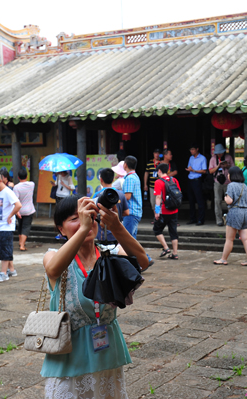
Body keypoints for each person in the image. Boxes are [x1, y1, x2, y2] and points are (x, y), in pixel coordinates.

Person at [42, 195, 148, 397]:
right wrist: (83, 229)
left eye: (90, 217)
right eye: (75, 218)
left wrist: (116, 226)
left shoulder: (110, 255)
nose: (85, 221)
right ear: (61, 229)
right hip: (69, 359)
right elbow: (53, 270)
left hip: (107, 356)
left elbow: (142, 261)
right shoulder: (54, 256)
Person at [213, 167, 247, 266]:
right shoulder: (245, 186)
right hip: (245, 212)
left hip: (235, 212)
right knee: (245, 239)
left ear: (232, 175)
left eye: (229, 174)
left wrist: (225, 197)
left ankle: (223, 259)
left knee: (229, 239)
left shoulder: (231, 185)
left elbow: (229, 201)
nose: (227, 176)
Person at [0, 172, 22, 283]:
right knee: (4, 249)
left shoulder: (8, 192)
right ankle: (11, 270)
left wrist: (10, 216)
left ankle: (4, 273)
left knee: (4, 250)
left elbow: (18, 205)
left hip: (6, 226)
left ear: (1, 180)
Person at [122, 156, 153, 267]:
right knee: (131, 239)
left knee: (128, 240)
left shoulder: (130, 178)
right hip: (134, 212)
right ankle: (141, 261)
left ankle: (145, 259)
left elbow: (127, 196)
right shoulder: (134, 176)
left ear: (125, 165)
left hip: (131, 212)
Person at [93, 168, 129, 243]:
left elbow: (93, 212)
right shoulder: (121, 195)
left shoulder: (97, 195)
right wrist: (115, 214)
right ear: (113, 179)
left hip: (102, 234)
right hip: (117, 233)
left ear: (101, 179)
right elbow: (127, 212)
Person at [153, 163, 180, 260]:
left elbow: (158, 197)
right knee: (173, 231)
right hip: (174, 210)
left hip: (164, 210)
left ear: (159, 171)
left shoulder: (158, 182)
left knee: (157, 229)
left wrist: (157, 212)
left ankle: (166, 248)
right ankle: (175, 253)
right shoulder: (174, 180)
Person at [208, 143, 234, 226]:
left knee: (229, 201)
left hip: (228, 182)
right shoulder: (213, 159)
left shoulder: (228, 157)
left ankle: (230, 219)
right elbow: (210, 171)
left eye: (221, 152)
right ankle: (219, 220)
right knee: (217, 201)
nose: (220, 154)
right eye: (218, 153)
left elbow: (233, 169)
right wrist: (218, 166)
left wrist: (227, 166)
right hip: (217, 182)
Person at [14, 167, 36, 251]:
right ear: (27, 176)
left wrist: (17, 211)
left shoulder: (16, 187)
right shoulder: (31, 184)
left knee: (20, 226)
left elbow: (16, 200)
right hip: (29, 210)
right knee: (26, 227)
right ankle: (22, 245)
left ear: (18, 177)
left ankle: (21, 242)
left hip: (19, 210)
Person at [185, 143, 207, 226]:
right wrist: (189, 169)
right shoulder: (191, 158)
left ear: (197, 149)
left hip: (197, 180)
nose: (191, 151)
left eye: (193, 149)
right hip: (190, 179)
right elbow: (189, 168)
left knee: (199, 200)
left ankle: (201, 219)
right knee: (191, 200)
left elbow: (204, 171)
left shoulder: (202, 158)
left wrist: (194, 170)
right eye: (190, 150)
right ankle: (192, 218)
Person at [51, 171, 75, 240]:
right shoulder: (58, 176)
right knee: (58, 214)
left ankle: (65, 232)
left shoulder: (68, 177)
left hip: (65, 196)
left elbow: (72, 188)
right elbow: (56, 184)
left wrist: (64, 184)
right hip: (58, 195)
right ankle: (60, 232)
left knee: (65, 214)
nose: (59, 173)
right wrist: (53, 184)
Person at [144, 149, 162, 220]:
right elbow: (146, 173)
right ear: (153, 154)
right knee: (153, 202)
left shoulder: (161, 163)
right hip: (152, 186)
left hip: (160, 186)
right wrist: (145, 184)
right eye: (155, 153)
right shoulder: (150, 163)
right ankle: (156, 217)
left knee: (160, 201)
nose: (157, 154)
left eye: (158, 153)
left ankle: (161, 217)